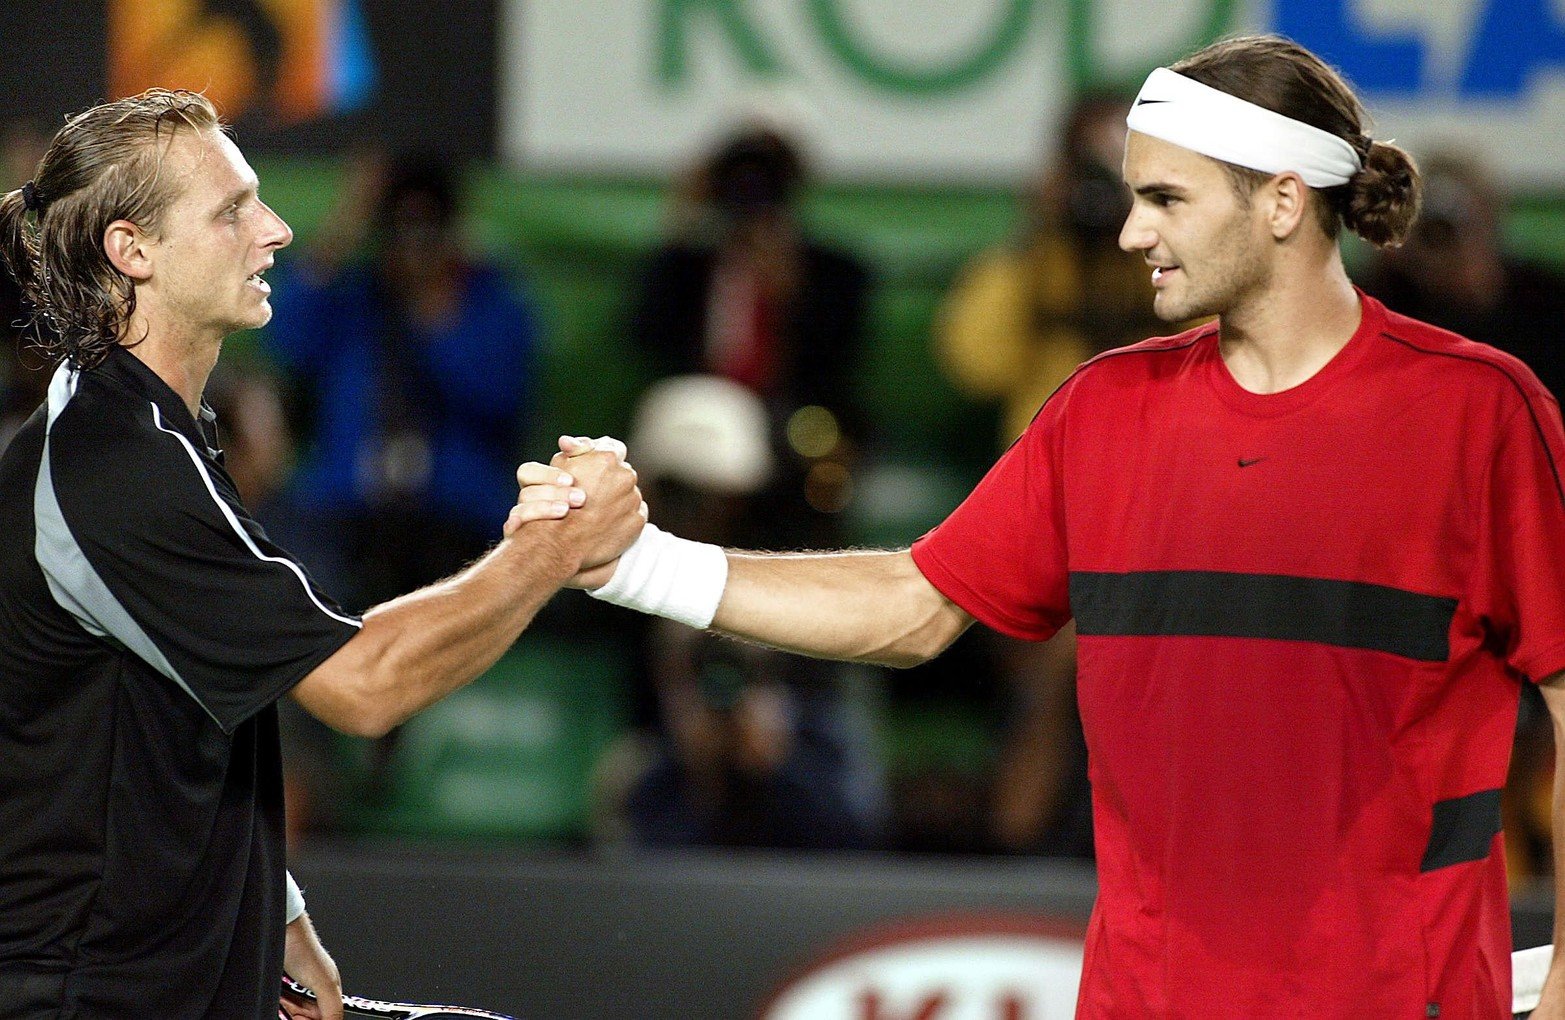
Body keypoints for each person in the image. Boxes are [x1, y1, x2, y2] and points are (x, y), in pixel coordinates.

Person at [521, 36, 1565, 1018]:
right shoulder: (1099, 413)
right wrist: (638, 564)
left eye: (1164, 198)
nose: (1127, 233)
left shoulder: (1477, 413)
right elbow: (912, 606)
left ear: (1282, 203)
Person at [0, 90, 643, 1019]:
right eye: (231, 210)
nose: (277, 229)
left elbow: (180, 708)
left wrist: (279, 913)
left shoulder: (134, 423)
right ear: (132, 251)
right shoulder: (118, 469)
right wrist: (552, 547)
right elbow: (363, 685)